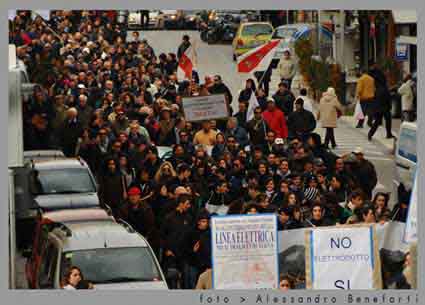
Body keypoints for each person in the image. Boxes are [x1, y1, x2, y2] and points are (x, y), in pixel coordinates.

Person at [368, 63, 394, 139]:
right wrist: (390, 106)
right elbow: (388, 98)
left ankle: (370, 134)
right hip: (385, 108)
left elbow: (374, 99)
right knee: (388, 120)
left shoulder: (376, 89)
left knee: (377, 121)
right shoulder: (384, 88)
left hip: (378, 108)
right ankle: (388, 134)